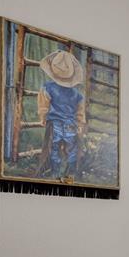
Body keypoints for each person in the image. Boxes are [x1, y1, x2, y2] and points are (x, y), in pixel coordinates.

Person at [37, 50, 85, 178]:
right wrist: (80, 124)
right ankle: (70, 174)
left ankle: (55, 173)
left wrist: (42, 118)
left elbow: (43, 106)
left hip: (54, 124)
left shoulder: (47, 87)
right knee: (72, 149)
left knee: (54, 148)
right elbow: (80, 112)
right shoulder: (77, 94)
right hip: (71, 124)